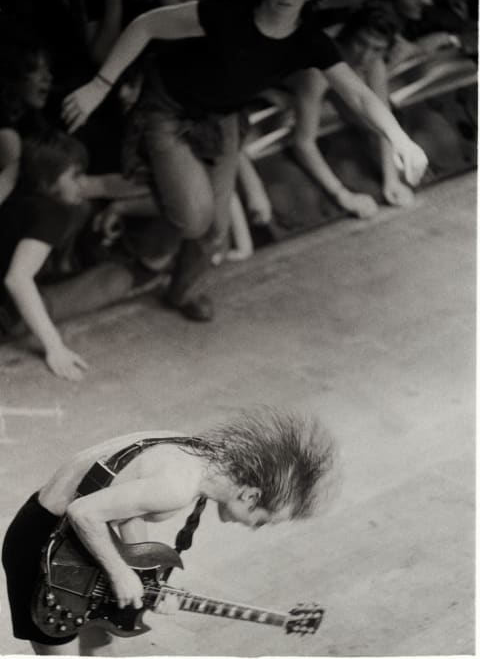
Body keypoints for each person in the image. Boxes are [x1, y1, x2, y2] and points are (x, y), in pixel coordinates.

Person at [62, 0, 428, 323]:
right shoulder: (227, 12)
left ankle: (183, 292)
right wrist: (99, 84)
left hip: (222, 118)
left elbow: (360, 96)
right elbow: (146, 24)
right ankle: (153, 191)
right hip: (168, 109)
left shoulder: (308, 39)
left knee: (216, 231)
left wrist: (400, 139)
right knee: (194, 219)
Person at [2, 405, 337, 656]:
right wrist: (121, 573)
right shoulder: (177, 486)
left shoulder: (197, 454)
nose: (254, 528)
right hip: (43, 550)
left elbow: (124, 510)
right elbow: (84, 513)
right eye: (263, 520)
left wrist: (149, 582)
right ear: (250, 495)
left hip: (66, 542)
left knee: (100, 646)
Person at [0, 131, 134, 381]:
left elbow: (104, 184)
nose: (82, 183)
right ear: (48, 182)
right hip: (6, 314)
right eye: (75, 176)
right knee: (117, 279)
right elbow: (17, 279)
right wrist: (55, 347)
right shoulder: (51, 212)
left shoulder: (16, 190)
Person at [282, 0, 415, 217]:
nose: (366, 56)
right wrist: (342, 195)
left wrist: (391, 181)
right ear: (349, 35)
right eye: (361, 43)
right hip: (275, 79)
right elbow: (303, 142)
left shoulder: (374, 61)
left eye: (377, 48)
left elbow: (383, 119)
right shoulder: (319, 66)